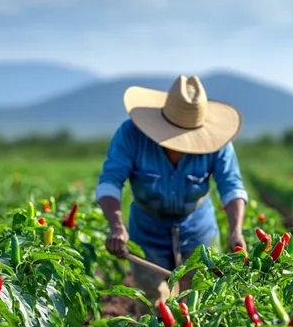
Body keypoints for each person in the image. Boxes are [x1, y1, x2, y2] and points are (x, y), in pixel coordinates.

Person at [95, 74, 248, 314]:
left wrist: (236, 231)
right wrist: (116, 225)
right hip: (147, 232)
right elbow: (110, 182)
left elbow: (231, 186)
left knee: (200, 306)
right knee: (153, 305)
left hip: (199, 232)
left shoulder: (217, 144)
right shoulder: (131, 135)